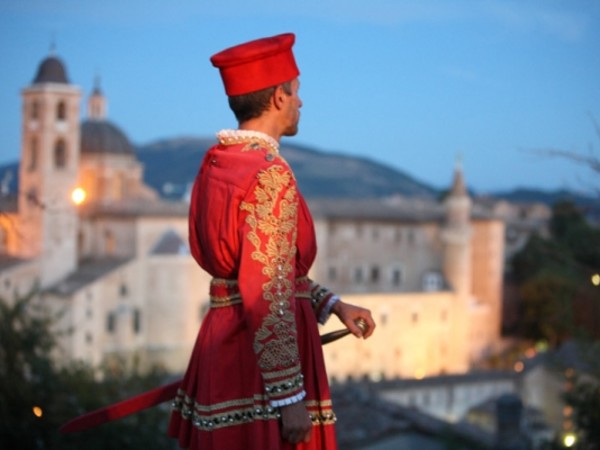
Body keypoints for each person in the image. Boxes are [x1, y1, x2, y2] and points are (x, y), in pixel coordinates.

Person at [168, 33, 375, 450]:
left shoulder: (218, 163)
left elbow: (258, 268)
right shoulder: (269, 173)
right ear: (279, 97)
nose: (301, 102)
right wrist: (289, 396)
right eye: (297, 92)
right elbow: (267, 288)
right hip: (256, 363)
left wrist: (330, 304)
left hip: (224, 341)